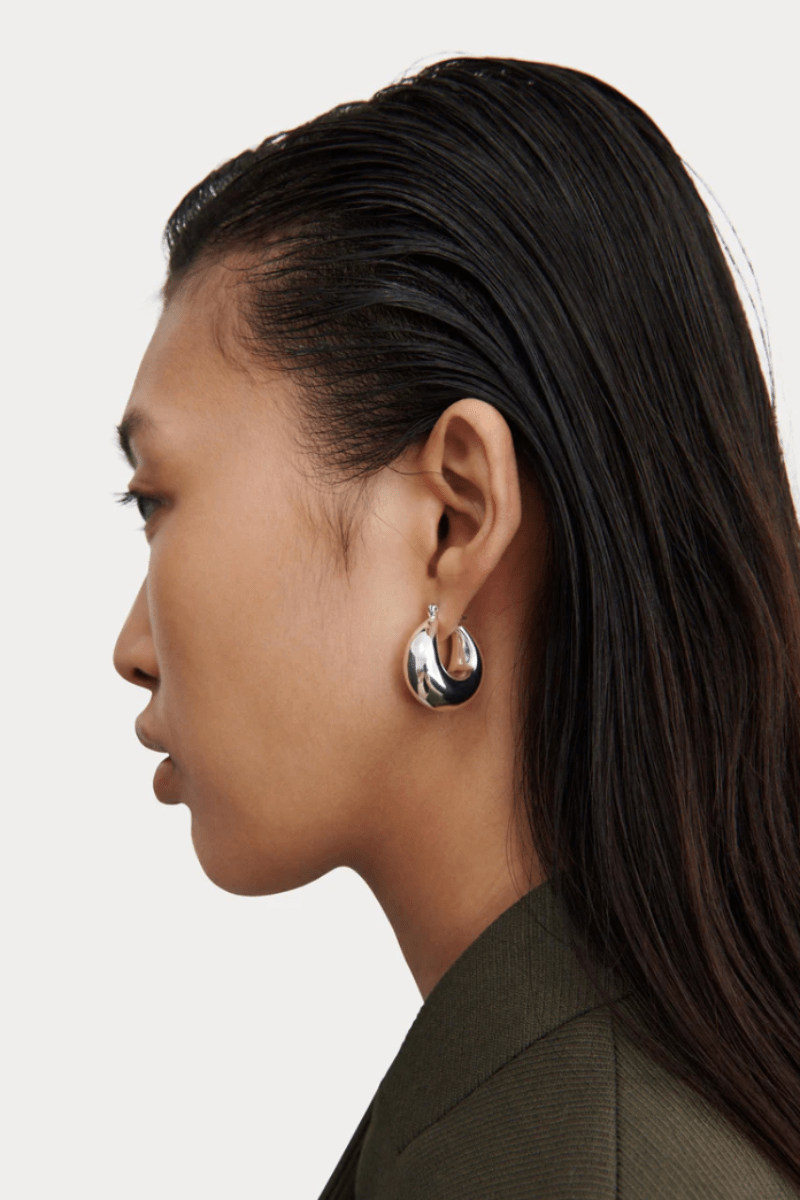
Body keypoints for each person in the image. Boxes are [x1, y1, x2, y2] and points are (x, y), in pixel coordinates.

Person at [112, 56, 800, 1198]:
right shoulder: (567, 1114)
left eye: (156, 501)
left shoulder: (582, 1164)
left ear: (452, 520)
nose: (130, 649)